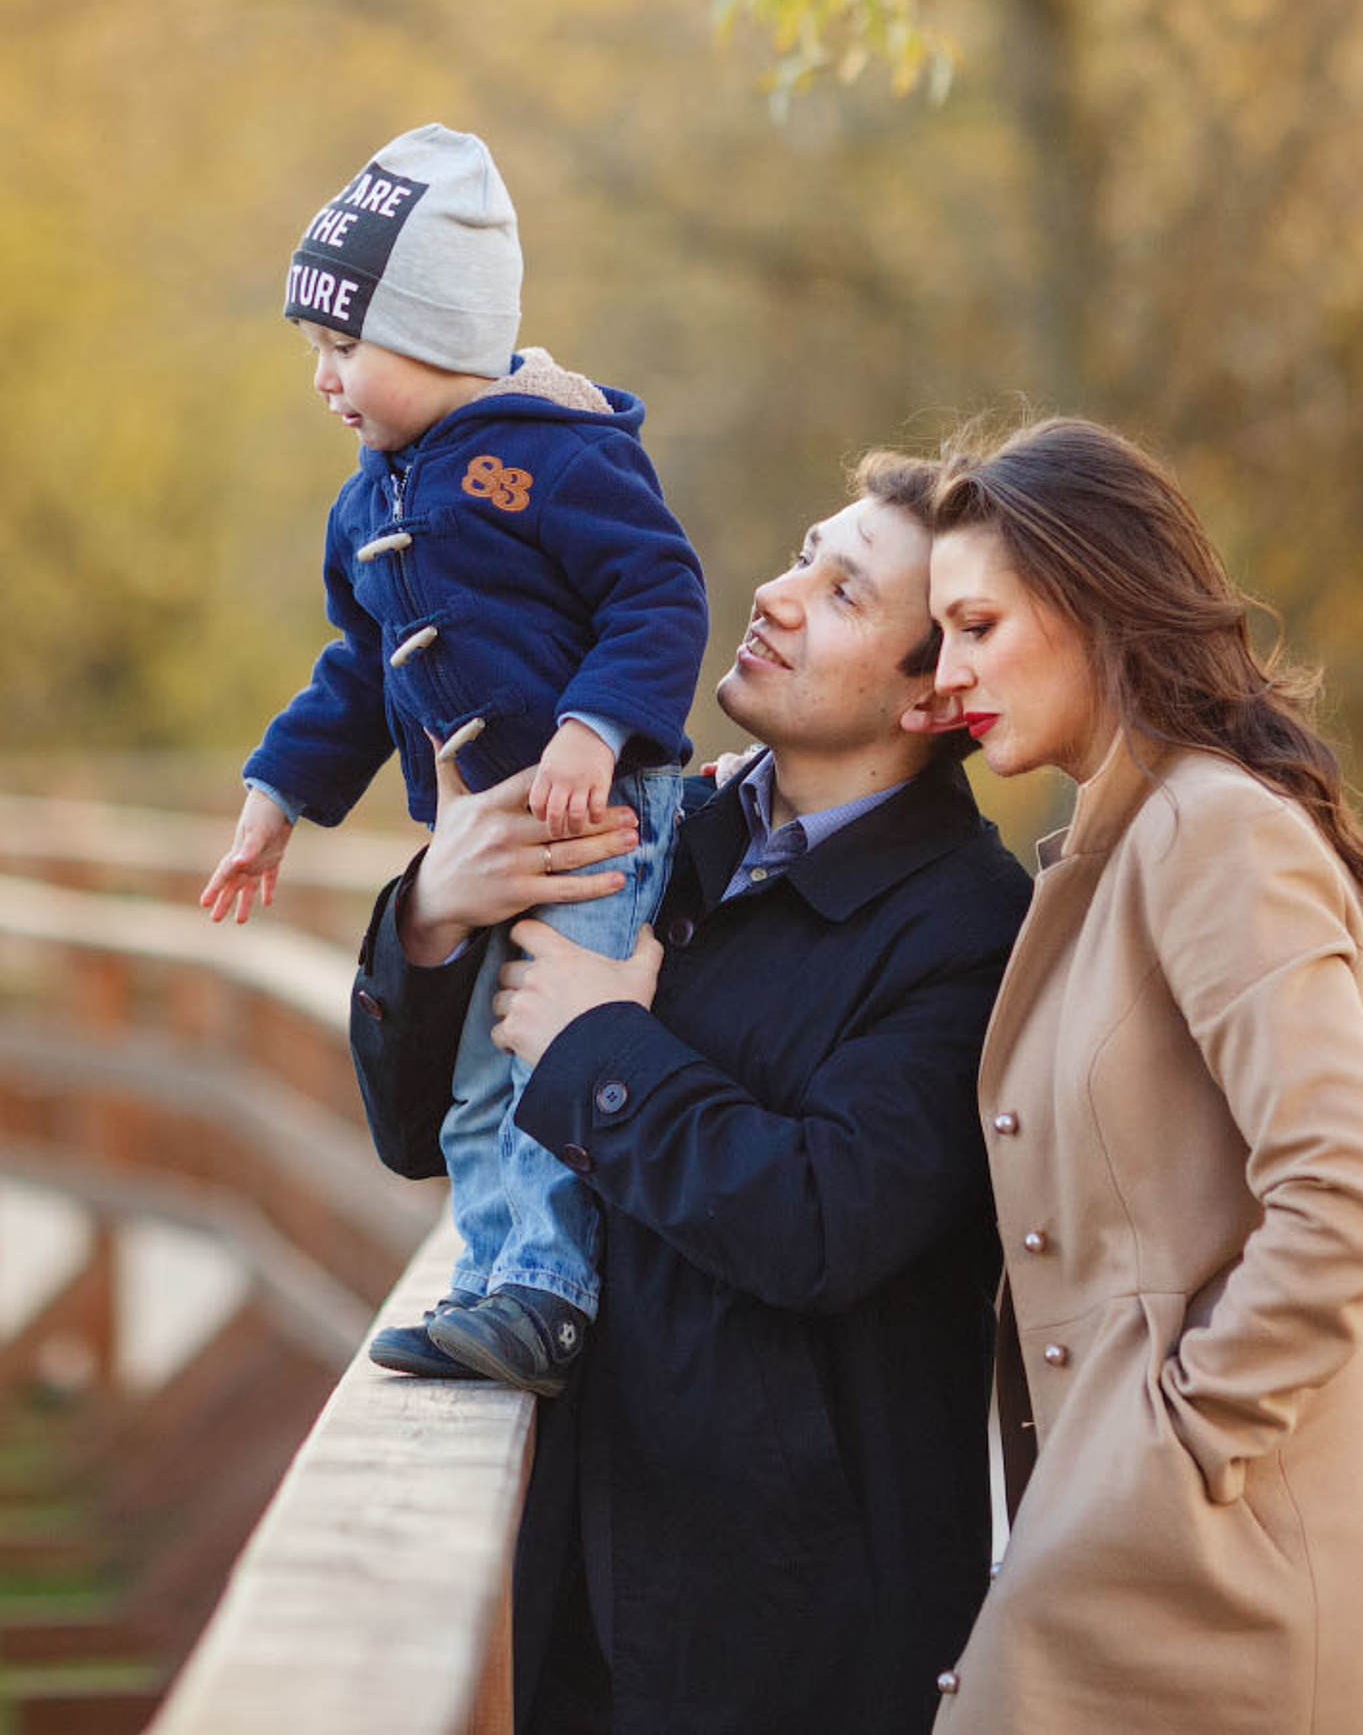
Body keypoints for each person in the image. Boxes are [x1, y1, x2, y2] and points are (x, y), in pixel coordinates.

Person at [350, 453, 1032, 1735]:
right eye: (799, 553)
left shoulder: (970, 927)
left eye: (839, 593)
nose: (772, 595)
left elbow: (826, 1221)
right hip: (572, 1563)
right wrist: (435, 915)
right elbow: (411, 1133)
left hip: (791, 1615)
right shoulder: (655, 830)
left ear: (932, 698)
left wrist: (602, 1041)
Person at [918, 415, 1363, 1733]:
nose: (946, 672)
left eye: (978, 626)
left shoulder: (1212, 831)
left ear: (1095, 598)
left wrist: (1180, 1448)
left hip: (1240, 1560)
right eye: (937, 634)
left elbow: (1350, 1201)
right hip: (1148, 1547)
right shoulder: (1119, 847)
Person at [202, 124, 709, 1392]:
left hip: (592, 820)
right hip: (482, 844)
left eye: (342, 348)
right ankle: (495, 1279)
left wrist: (595, 729)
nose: (322, 380)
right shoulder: (363, 500)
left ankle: (549, 1291)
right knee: (482, 1070)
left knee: (554, 1045)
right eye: (315, 351)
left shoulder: (558, 454)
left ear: (435, 337)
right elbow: (358, 673)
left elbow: (658, 597)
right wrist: (277, 798)